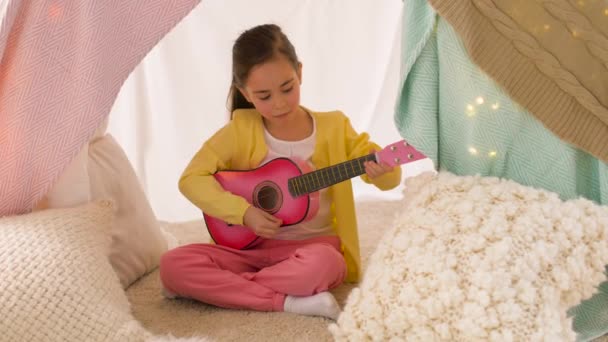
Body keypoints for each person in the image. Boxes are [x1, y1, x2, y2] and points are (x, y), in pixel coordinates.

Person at [159, 23, 402, 320]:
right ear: (245, 93)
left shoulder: (335, 127)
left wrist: (384, 171)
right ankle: (287, 302)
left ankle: (222, 290)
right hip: (247, 251)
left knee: (327, 265)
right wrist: (244, 213)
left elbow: (388, 178)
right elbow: (191, 180)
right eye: (264, 96)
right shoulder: (240, 130)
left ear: (300, 73)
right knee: (172, 264)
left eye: (287, 88)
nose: (279, 103)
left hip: (312, 250)